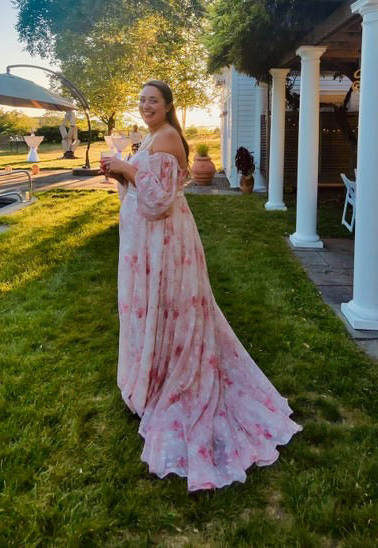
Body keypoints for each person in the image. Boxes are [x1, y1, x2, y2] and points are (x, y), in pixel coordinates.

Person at [101, 80, 300, 491]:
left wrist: (127, 169)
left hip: (165, 243)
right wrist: (122, 173)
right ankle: (152, 376)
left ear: (168, 105)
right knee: (158, 310)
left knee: (172, 310)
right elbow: (146, 190)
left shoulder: (169, 137)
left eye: (153, 100)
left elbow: (158, 202)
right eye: (141, 100)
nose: (145, 106)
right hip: (150, 244)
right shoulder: (156, 136)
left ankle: (169, 381)